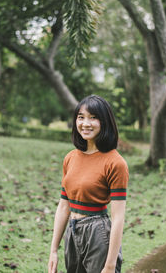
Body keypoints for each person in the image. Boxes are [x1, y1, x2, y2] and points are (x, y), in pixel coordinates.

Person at [48, 95, 129, 273]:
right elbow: (63, 206)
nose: (86, 123)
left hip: (98, 234)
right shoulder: (70, 158)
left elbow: (118, 219)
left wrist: (109, 265)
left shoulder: (115, 163)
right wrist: (53, 250)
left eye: (93, 117)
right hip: (72, 231)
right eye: (81, 117)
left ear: (105, 122)